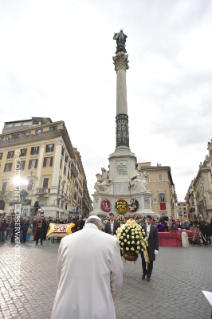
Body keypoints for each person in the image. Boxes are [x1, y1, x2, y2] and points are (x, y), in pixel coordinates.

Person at [51, 215, 123, 319]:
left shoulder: (65, 240)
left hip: (66, 305)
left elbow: (59, 274)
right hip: (98, 307)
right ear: (100, 227)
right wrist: (107, 296)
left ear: (85, 225)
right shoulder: (112, 241)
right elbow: (117, 279)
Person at [141, 215, 159, 282]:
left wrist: (156, 249)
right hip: (144, 247)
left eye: (149, 220)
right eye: (147, 219)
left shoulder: (154, 228)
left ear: (151, 221)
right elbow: (141, 237)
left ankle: (149, 275)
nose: (148, 221)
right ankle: (144, 273)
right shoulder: (143, 227)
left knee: (150, 262)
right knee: (143, 261)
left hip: (151, 247)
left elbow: (156, 239)